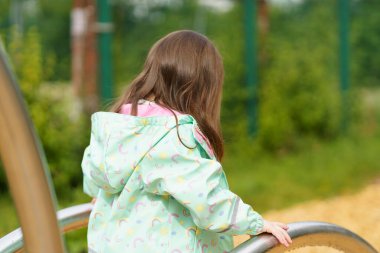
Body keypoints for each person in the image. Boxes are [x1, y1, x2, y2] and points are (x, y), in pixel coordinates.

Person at [81, 30, 292, 253]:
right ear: (204, 88)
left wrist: (99, 196)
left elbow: (93, 175)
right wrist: (255, 223)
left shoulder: (118, 128)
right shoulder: (172, 136)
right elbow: (205, 196)